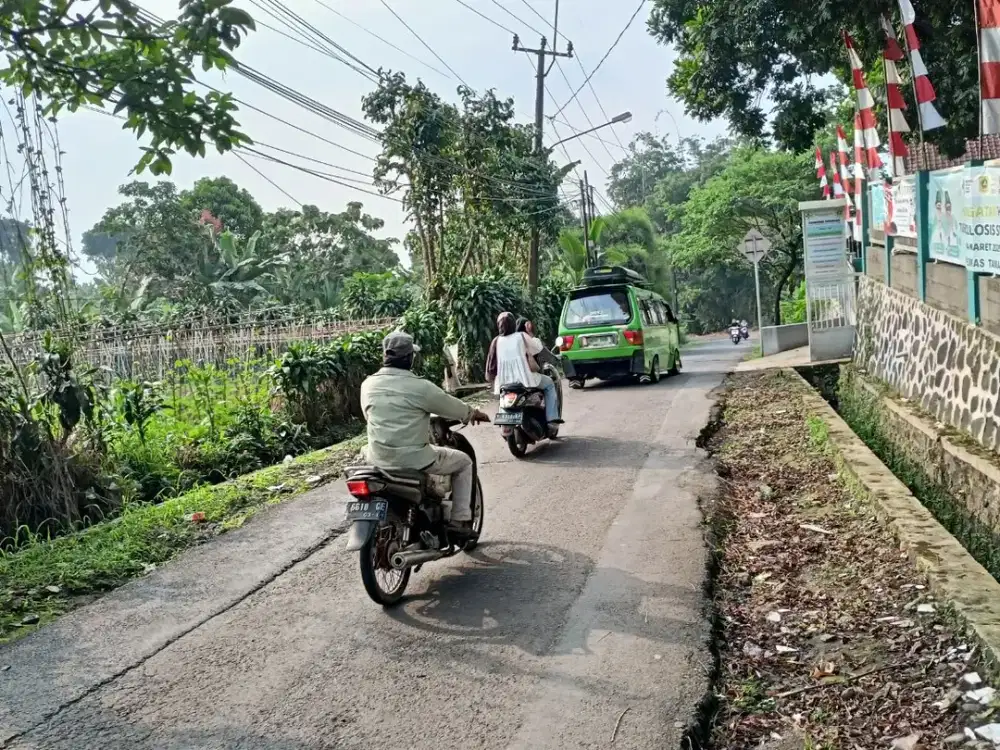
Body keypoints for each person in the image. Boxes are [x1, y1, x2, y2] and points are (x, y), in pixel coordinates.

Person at [360, 331, 490, 533]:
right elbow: (450, 406)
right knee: (464, 462)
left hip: (378, 458)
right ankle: (460, 520)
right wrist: (472, 413)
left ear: (385, 356)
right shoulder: (420, 387)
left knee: (364, 449)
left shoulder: (367, 385)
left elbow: (369, 417)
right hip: (414, 460)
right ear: (410, 358)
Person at [485, 312, 562, 424]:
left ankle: (504, 419)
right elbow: (539, 349)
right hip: (525, 379)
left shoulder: (496, 341)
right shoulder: (521, 336)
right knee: (549, 384)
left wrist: (492, 380)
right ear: (512, 324)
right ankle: (551, 419)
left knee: (502, 397)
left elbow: (490, 367)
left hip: (504, 383)